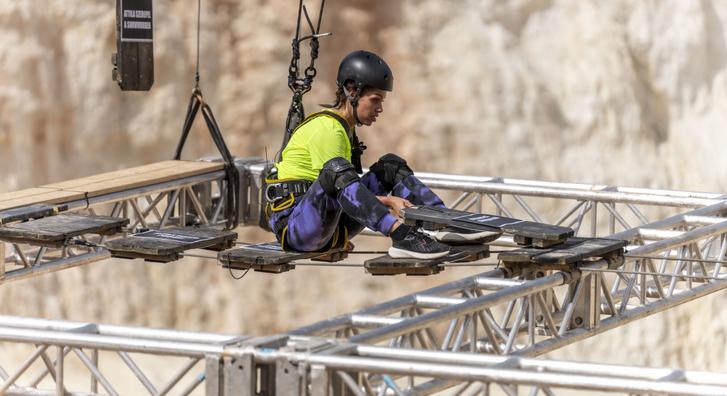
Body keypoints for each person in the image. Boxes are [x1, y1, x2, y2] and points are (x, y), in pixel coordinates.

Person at [266, 50, 488, 258]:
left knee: (390, 167)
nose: (380, 108)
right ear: (352, 91)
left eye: (382, 101)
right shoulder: (327, 128)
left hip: (327, 225)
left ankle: (442, 223)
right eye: (375, 100)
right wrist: (388, 201)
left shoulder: (345, 129)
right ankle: (402, 236)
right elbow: (336, 190)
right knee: (336, 170)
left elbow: (345, 195)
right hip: (296, 229)